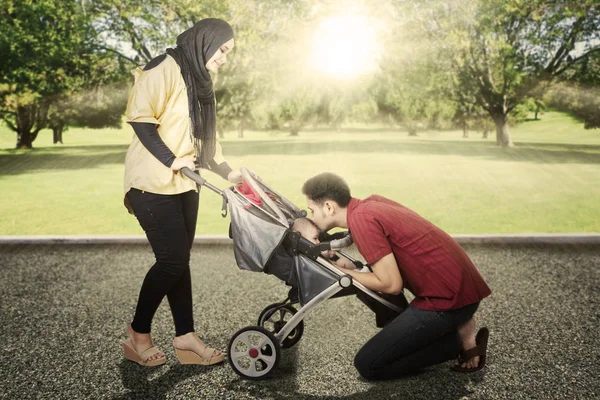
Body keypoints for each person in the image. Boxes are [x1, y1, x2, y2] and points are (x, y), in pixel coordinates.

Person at [122, 18, 244, 367]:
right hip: (151, 183)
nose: (224, 58)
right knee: (172, 260)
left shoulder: (201, 81)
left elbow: (207, 141)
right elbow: (141, 120)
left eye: (227, 53)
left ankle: (185, 337)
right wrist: (172, 160)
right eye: (222, 50)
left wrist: (230, 172)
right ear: (205, 42)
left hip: (186, 183)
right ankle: (137, 333)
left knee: (178, 261)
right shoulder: (164, 66)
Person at [301, 172, 492, 379]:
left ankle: (457, 340)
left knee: (368, 365)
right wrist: (351, 267)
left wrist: (343, 272)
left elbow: (391, 285)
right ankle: (456, 326)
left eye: (312, 211)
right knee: (391, 329)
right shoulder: (370, 204)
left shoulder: (362, 221)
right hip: (460, 287)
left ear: (329, 207)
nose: (312, 217)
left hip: (448, 300)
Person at [291, 217, 357, 270]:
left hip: (334, 270)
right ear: (302, 240)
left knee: (347, 262)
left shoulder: (312, 250)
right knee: (343, 262)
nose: (318, 242)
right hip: (329, 276)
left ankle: (358, 269)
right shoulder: (303, 258)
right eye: (315, 238)